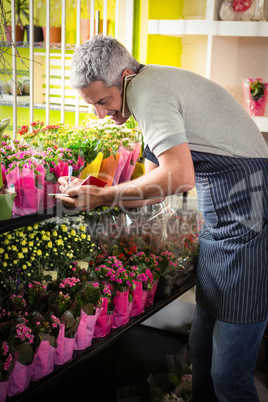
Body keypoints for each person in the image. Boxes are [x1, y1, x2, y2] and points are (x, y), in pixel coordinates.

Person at [58, 34, 268, 401]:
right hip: (225, 224)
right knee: (201, 355)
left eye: (104, 101)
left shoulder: (146, 92)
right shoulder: (148, 83)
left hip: (248, 223)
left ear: (124, 76)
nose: (101, 114)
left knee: (228, 375)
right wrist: (94, 185)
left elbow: (179, 177)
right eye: (92, 105)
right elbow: (154, 178)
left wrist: (103, 196)